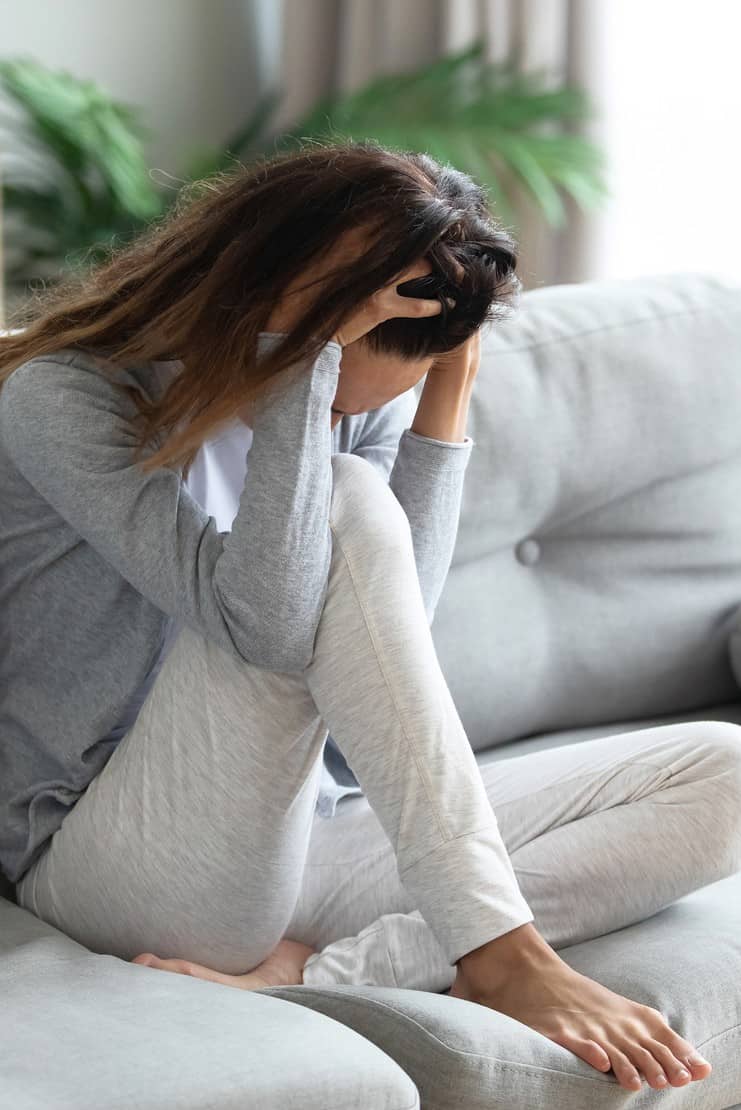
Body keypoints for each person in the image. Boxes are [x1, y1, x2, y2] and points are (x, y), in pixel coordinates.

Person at [1, 141, 739, 1096]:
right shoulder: (62, 396)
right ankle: (496, 947)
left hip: (302, 831)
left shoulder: (362, 398)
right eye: (342, 378)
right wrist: (300, 370)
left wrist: (444, 401)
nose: (351, 414)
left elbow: (394, 639)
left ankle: (313, 977)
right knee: (346, 498)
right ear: (260, 291)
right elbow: (267, 627)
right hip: (114, 862)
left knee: (722, 772)